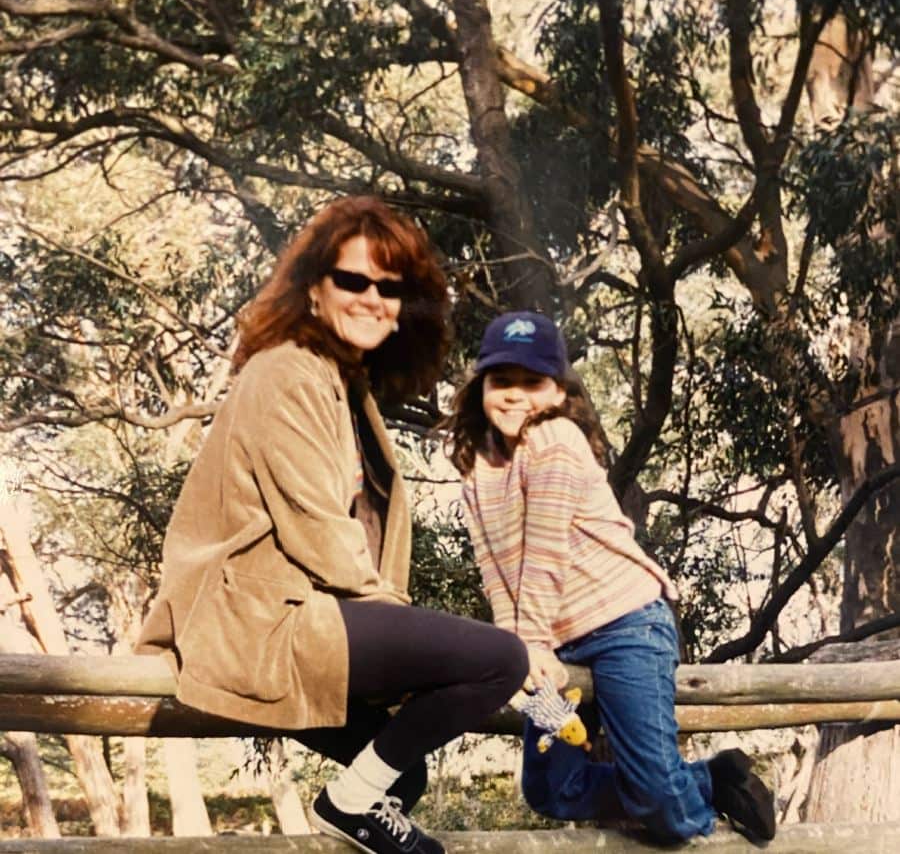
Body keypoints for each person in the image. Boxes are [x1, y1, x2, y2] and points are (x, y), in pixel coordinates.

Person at [136, 197, 529, 854]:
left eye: (390, 287)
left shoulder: (344, 387)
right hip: (260, 619)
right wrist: (400, 633)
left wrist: (397, 632)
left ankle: (354, 806)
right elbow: (317, 526)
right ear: (314, 289)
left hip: (294, 617)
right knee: (501, 659)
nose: (373, 299)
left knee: (401, 776)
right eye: (353, 280)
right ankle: (346, 806)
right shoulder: (284, 369)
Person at [443, 310, 776, 844]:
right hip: (554, 644)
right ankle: (710, 779)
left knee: (659, 802)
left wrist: (530, 642)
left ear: (559, 391)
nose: (514, 395)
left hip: (624, 626)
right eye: (502, 380)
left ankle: (695, 796)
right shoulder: (477, 469)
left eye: (533, 382)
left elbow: (546, 552)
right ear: (480, 384)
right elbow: (496, 573)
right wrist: (518, 654)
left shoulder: (553, 439)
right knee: (554, 790)